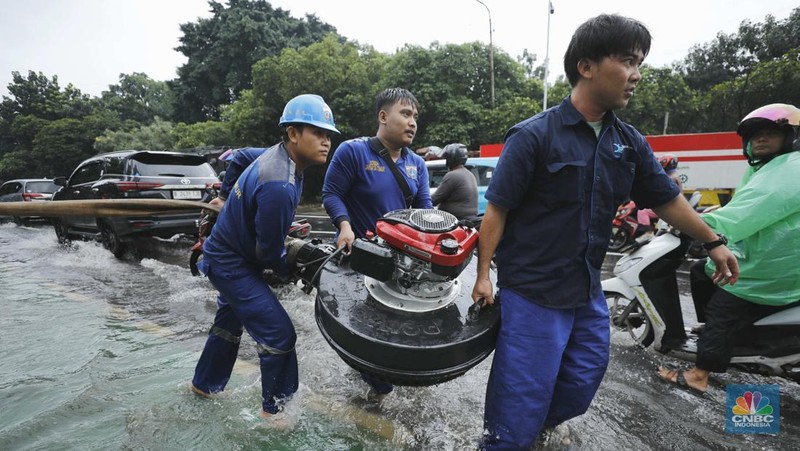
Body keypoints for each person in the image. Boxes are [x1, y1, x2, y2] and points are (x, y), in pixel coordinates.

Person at [470, 14, 739, 449]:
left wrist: (713, 243)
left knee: (581, 383)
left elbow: (664, 199)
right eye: (628, 61)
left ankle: (535, 430)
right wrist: (483, 275)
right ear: (587, 66)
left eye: (640, 65)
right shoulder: (534, 136)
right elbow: (497, 212)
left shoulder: (628, 142)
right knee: (517, 404)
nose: (635, 76)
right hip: (532, 292)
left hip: (585, 291)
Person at [190, 94, 340, 421]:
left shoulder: (276, 156)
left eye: (328, 135)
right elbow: (270, 255)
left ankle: (205, 385)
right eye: (317, 133)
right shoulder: (279, 185)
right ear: (293, 134)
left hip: (228, 253)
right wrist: (291, 269)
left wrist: (224, 196)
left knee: (229, 323)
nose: (326, 141)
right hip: (232, 264)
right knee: (280, 335)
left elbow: (240, 155)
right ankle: (276, 415)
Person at [658, 103, 800, 394]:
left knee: (727, 299)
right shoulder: (769, 168)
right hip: (767, 257)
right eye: (755, 135)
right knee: (700, 271)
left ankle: (700, 374)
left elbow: (744, 214)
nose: (760, 139)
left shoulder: (789, 170)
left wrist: (695, 224)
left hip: (772, 269)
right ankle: (713, 330)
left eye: (770, 133)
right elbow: (742, 207)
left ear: (791, 137)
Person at [322, 87, 431, 398]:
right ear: (383, 117)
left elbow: (424, 210)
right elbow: (332, 194)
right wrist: (344, 226)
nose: (412, 123)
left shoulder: (417, 165)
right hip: (358, 257)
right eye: (405, 114)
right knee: (363, 328)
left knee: (398, 328)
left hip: (399, 264)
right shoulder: (353, 152)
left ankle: (383, 374)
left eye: (415, 117)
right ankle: (377, 389)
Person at [431, 143, 479, 221]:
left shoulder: (452, 176)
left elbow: (434, 199)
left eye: (446, 158)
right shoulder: (469, 174)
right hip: (466, 220)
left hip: (455, 222)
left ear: (451, 158)